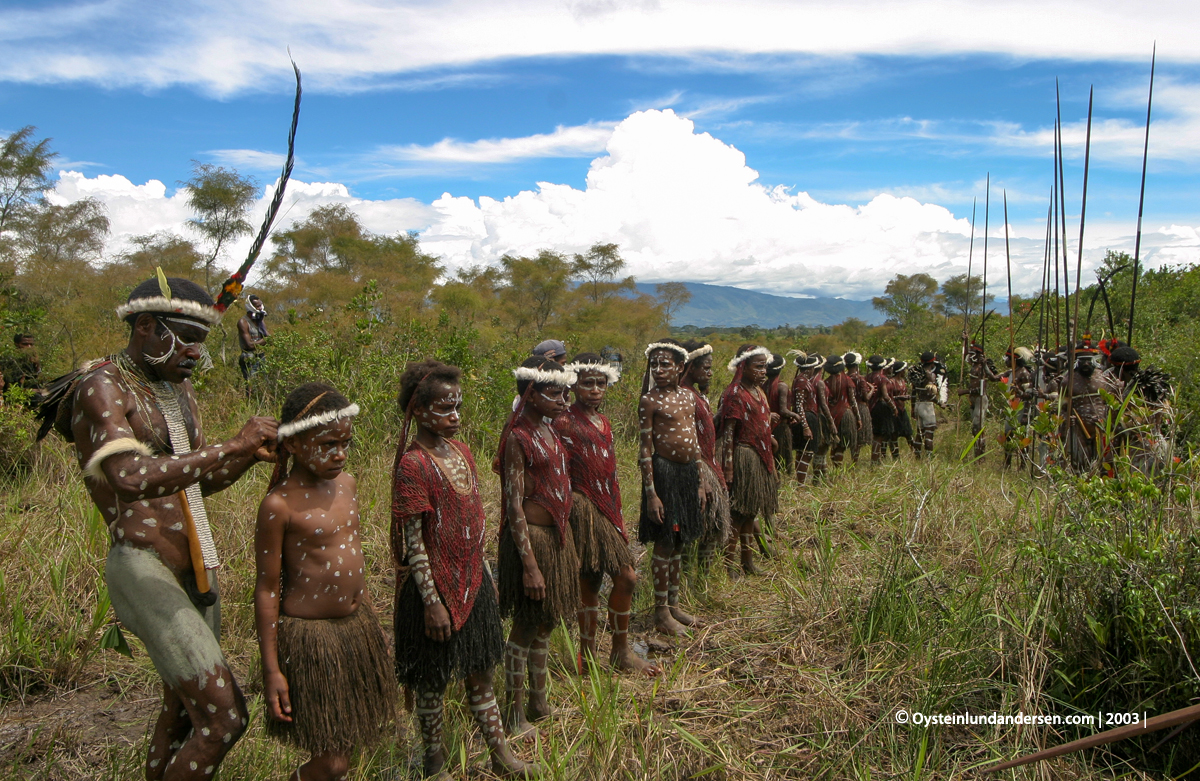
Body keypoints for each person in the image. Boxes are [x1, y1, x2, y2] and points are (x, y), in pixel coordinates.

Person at [35, 274, 277, 780]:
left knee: (184, 713)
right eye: (186, 339)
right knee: (224, 716)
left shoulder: (177, 390)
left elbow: (195, 483)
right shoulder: (102, 384)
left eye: (202, 343)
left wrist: (249, 457)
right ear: (145, 326)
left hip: (194, 566)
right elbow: (126, 478)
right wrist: (230, 446)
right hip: (142, 567)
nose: (195, 354)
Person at [390, 360, 534, 778]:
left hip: (473, 581)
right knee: (431, 683)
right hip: (430, 594)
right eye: (445, 409)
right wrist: (431, 602)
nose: (455, 417)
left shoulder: (461, 452)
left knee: (481, 673)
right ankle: (434, 763)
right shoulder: (412, 467)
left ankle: (500, 756)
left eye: (458, 408)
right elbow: (414, 543)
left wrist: (485, 575)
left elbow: (476, 523)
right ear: (418, 411)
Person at [255, 383, 396, 781]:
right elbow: (266, 589)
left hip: (354, 632)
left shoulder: (347, 485)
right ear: (295, 445)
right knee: (331, 761)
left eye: (346, 443)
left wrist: (372, 624)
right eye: (328, 443)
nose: (340, 454)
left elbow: (355, 559)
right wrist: (272, 670)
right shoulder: (279, 505)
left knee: (347, 748)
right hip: (312, 641)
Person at [554, 354, 659, 676]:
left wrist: (616, 511)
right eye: (588, 383)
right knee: (591, 582)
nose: (596, 389)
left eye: (601, 383)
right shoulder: (563, 422)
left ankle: (619, 651)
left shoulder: (604, 422)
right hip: (582, 512)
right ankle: (586, 657)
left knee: (625, 578)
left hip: (607, 509)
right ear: (574, 384)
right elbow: (555, 471)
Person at [497, 356, 580, 738]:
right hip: (533, 542)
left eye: (565, 392)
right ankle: (515, 714)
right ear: (530, 395)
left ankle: (539, 700)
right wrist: (529, 564)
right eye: (554, 393)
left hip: (556, 541)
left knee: (546, 622)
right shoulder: (518, 437)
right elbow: (513, 504)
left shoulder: (549, 430)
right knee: (527, 625)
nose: (564, 400)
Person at [638, 339, 707, 634]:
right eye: (654, 364)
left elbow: (696, 441)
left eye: (665, 364)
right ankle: (661, 612)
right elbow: (644, 449)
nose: (659, 369)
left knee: (680, 539)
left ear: (680, 367)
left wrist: (701, 481)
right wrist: (652, 494)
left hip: (688, 475)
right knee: (666, 540)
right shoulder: (650, 401)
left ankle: (675, 605)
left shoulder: (689, 398)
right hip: (664, 476)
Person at [718, 344, 777, 576]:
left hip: (760, 456)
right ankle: (731, 566)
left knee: (751, 513)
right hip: (744, 456)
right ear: (743, 366)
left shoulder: (758, 391)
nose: (763, 371)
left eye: (765, 367)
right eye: (758, 367)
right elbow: (728, 432)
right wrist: (729, 467)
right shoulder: (735, 393)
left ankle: (748, 562)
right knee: (738, 513)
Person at [680, 339, 731, 572]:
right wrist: (701, 478)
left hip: (709, 465)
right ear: (691, 368)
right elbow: (688, 439)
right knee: (697, 527)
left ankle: (704, 578)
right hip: (697, 468)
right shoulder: (684, 396)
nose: (710, 373)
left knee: (711, 526)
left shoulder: (697, 395)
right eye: (706, 368)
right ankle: (691, 580)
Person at [959, 343, 1001, 459]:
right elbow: (965, 356)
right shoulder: (973, 365)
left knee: (978, 427)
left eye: (974, 353)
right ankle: (978, 453)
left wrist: (965, 391)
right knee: (974, 428)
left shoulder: (982, 367)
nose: (971, 355)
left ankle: (980, 456)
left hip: (980, 398)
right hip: (973, 399)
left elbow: (992, 379)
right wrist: (966, 341)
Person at [789, 353, 820, 485]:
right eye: (813, 367)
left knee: (803, 453)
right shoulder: (801, 381)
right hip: (806, 418)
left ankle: (801, 482)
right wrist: (805, 426)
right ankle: (800, 484)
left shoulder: (803, 380)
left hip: (807, 417)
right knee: (806, 453)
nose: (814, 369)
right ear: (809, 369)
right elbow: (799, 405)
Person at [823, 354, 859, 469]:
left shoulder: (825, 382)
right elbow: (853, 401)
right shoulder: (847, 381)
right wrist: (858, 418)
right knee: (842, 445)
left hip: (831, 415)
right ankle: (838, 469)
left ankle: (835, 467)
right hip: (845, 414)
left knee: (835, 444)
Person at [766, 353, 800, 474]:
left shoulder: (763, 385)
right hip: (780, 427)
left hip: (768, 426)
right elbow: (783, 410)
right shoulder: (782, 386)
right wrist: (796, 416)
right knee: (783, 458)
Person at [911, 352, 946, 458]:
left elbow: (913, 393)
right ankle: (929, 459)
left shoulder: (917, 374)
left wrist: (912, 408)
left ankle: (917, 457)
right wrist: (940, 403)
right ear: (932, 362)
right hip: (927, 406)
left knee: (919, 432)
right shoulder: (930, 375)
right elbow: (930, 395)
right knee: (929, 434)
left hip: (918, 404)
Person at [865, 355, 897, 464]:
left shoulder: (867, 377)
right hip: (880, 407)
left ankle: (877, 459)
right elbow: (885, 395)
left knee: (877, 435)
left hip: (870, 407)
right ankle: (874, 460)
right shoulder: (882, 378)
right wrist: (893, 407)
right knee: (879, 436)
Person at [845, 353, 874, 464]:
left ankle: (853, 460)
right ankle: (855, 461)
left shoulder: (845, 377)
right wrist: (871, 389)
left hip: (849, 409)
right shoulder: (860, 379)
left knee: (854, 437)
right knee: (859, 439)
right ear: (856, 365)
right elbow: (865, 397)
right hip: (861, 408)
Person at [237, 295, 269, 392]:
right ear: (251, 306)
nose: (260, 308)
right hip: (249, 356)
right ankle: (249, 403)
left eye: (260, 305)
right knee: (251, 384)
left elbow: (268, 336)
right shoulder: (243, 322)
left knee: (265, 381)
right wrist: (265, 340)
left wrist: (265, 339)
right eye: (257, 306)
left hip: (261, 355)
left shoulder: (260, 320)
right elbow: (249, 345)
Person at [889, 360, 915, 458]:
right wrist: (899, 398)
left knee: (908, 433)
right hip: (895, 410)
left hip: (902, 410)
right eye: (904, 370)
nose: (905, 371)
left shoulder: (903, 381)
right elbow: (888, 397)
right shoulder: (891, 382)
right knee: (894, 434)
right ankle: (896, 457)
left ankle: (916, 454)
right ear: (900, 371)